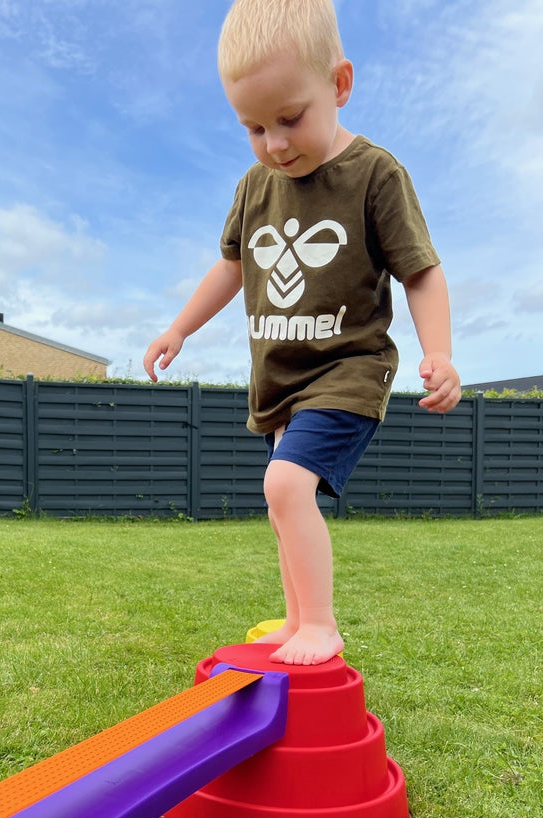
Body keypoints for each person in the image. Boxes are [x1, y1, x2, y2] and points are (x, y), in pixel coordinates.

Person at [143, 0, 461, 666]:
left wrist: (440, 352)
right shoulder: (255, 187)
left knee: (285, 486)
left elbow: (421, 271)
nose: (276, 143)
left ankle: (321, 624)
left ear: (339, 85)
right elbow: (230, 267)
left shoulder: (375, 175)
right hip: (282, 380)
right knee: (280, 501)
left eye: (289, 118)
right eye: (254, 127)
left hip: (349, 366)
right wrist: (178, 328)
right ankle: (296, 619)